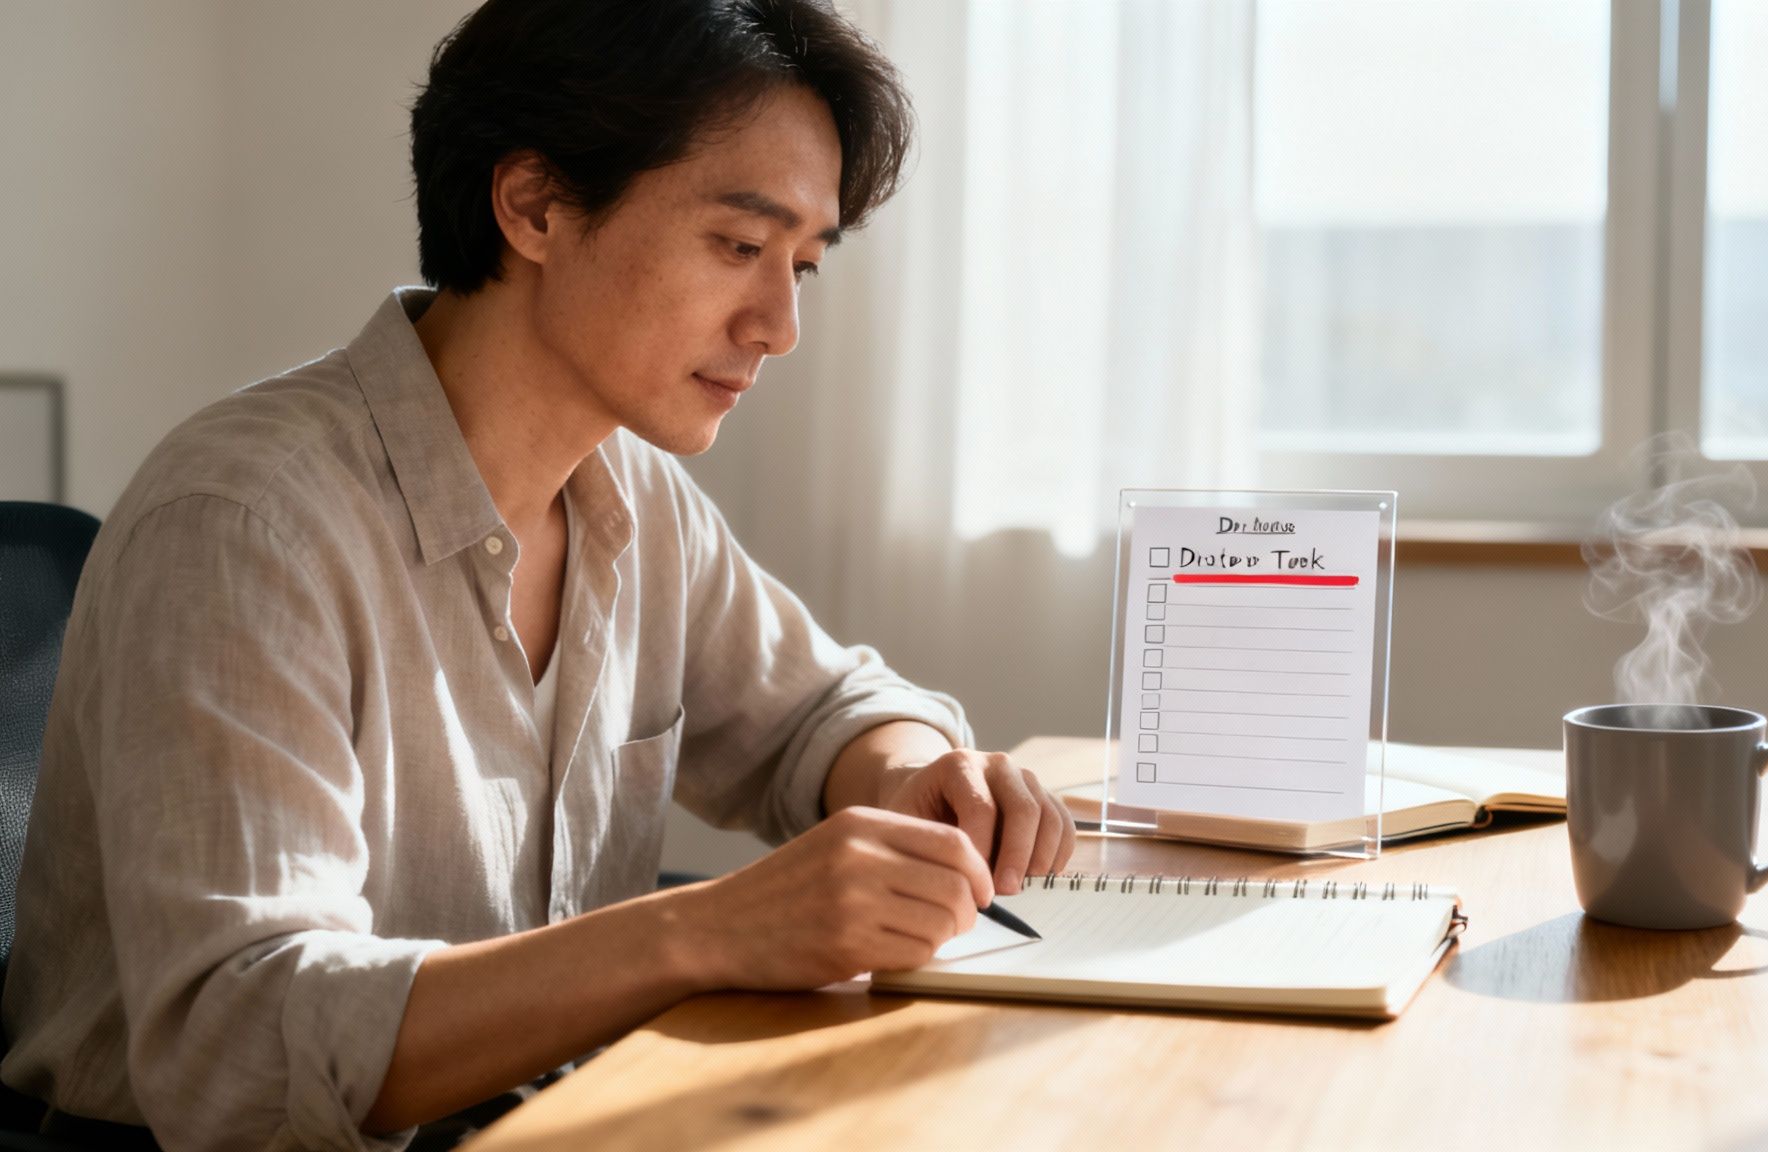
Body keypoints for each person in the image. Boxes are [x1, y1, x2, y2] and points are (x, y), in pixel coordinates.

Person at [0, 1, 1076, 1147]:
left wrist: (914, 773)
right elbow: (240, 1046)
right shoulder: (244, 524)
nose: (779, 324)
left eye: (804, 264)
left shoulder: (631, 495)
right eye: (739, 246)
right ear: (535, 205)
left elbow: (820, 712)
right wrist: (702, 932)